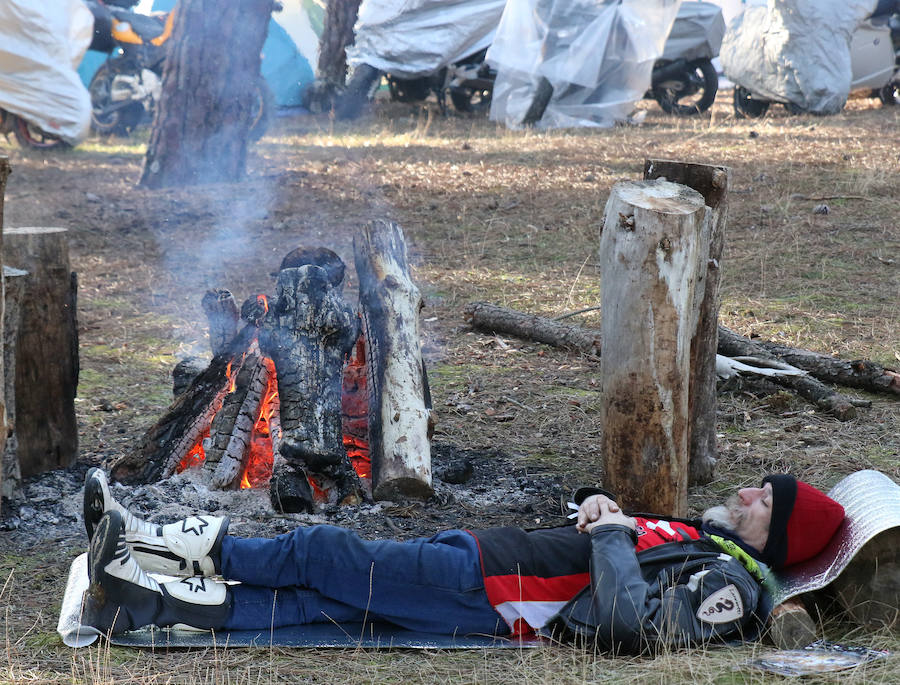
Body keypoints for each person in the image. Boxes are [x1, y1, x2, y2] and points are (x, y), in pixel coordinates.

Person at [80, 468, 845, 652]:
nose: (746, 491)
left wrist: (609, 530)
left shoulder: (733, 587)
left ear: (771, 543)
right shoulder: (706, 538)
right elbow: (621, 537)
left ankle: (150, 539)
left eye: (763, 502)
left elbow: (630, 621)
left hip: (490, 594)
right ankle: (140, 603)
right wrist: (598, 503)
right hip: (483, 563)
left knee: (322, 551)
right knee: (319, 604)